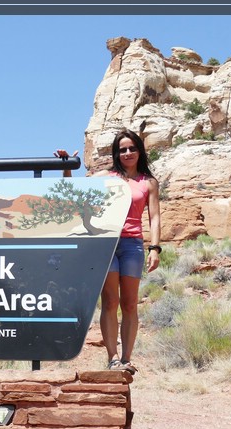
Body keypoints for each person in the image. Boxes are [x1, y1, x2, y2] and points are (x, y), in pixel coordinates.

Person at [56, 131, 161, 373]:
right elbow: (74, 191)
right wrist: (66, 166)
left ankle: (127, 359)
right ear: (117, 153)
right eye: (122, 150)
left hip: (133, 245)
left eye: (132, 148)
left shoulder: (148, 182)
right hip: (106, 244)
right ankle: (113, 358)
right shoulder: (107, 177)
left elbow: (154, 217)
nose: (127, 153)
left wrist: (155, 248)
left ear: (140, 151)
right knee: (110, 301)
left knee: (131, 304)